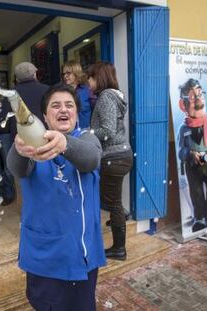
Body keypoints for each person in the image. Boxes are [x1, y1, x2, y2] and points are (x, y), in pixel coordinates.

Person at [6, 84, 106, 310]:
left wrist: (64, 143)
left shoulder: (88, 140)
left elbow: (91, 159)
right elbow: (17, 169)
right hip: (45, 257)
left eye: (69, 105)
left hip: (82, 255)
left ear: (76, 113)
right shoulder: (31, 145)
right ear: (44, 116)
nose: (64, 110)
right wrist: (19, 150)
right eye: (56, 105)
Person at [87, 62, 133, 261]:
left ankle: (119, 249)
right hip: (122, 154)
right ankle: (121, 216)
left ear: (100, 77)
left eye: (91, 77)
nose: (88, 81)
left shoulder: (106, 97)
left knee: (113, 203)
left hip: (113, 157)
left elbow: (107, 131)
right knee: (114, 201)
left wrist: (86, 133)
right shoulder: (116, 95)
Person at [177, 78, 207, 232]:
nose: (197, 99)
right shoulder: (183, 129)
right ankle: (200, 217)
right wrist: (189, 153)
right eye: (192, 97)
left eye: (199, 93)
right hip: (192, 165)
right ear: (182, 104)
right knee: (196, 192)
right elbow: (180, 150)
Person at [61, 60, 95, 129]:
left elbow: (96, 112)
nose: (65, 76)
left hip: (85, 132)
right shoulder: (62, 92)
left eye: (68, 73)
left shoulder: (88, 91)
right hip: (68, 132)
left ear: (76, 73)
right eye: (63, 74)